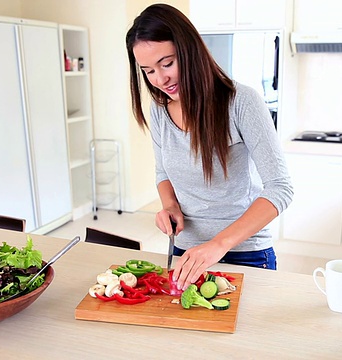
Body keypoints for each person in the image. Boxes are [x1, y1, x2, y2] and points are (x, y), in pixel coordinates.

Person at [125, 3, 293, 291]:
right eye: (148, 70)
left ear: (190, 50)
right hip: (187, 253)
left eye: (167, 63)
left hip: (246, 253)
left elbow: (280, 188)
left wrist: (217, 244)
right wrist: (169, 206)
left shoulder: (241, 102)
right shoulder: (160, 109)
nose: (160, 79)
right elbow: (162, 170)